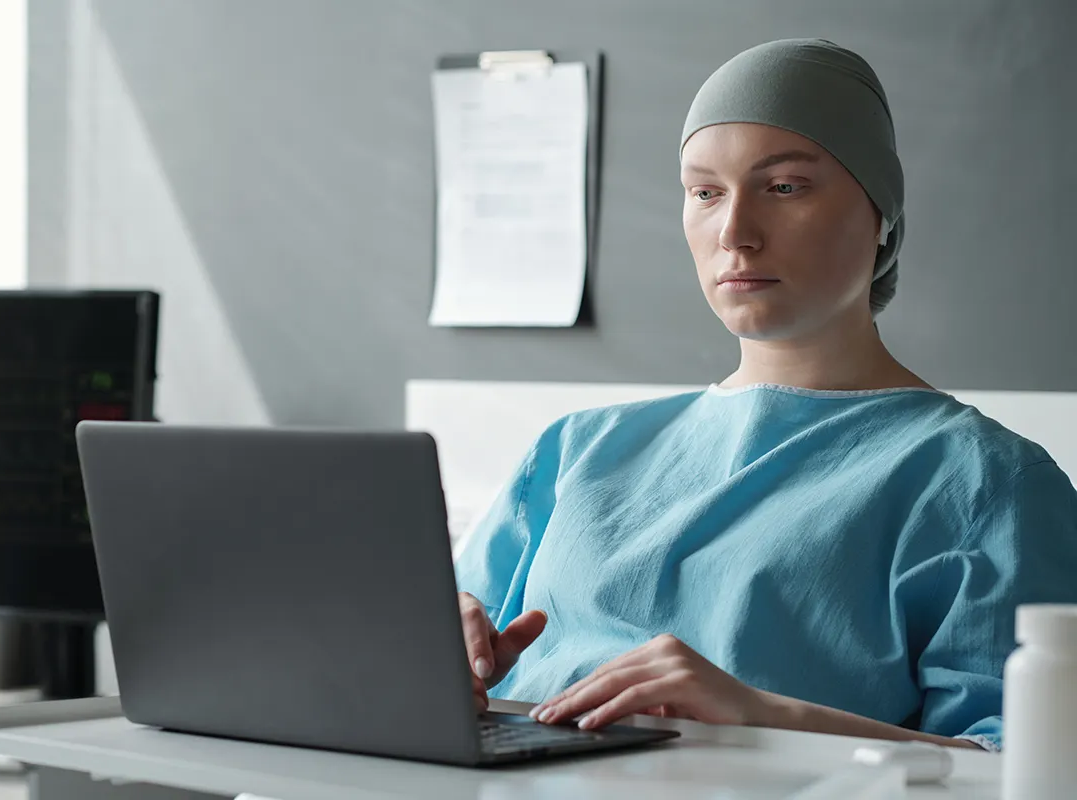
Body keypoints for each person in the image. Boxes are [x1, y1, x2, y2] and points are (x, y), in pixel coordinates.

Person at [452, 38, 1077, 752]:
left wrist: (767, 717)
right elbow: (439, 653)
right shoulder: (574, 450)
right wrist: (441, 657)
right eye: (706, 192)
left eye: (785, 187)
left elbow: (1032, 767)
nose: (735, 233)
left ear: (881, 218)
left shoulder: (986, 483)